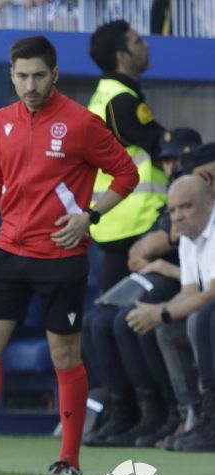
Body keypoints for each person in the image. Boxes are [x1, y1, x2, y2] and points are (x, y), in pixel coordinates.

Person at [0, 35, 138, 475]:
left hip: (62, 257)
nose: (30, 84)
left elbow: (126, 172)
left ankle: (69, 459)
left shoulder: (81, 122)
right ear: (12, 75)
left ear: (55, 74)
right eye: (22, 76)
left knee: (65, 356)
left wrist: (90, 216)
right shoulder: (0, 122)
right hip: (9, 252)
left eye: (39, 75)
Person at [126, 175, 215, 453]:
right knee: (167, 329)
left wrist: (163, 312)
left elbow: (211, 293)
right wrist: (157, 313)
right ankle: (190, 413)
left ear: (209, 203)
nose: (177, 217)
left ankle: (211, 419)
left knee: (197, 322)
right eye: (173, 210)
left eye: (185, 207)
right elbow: (189, 291)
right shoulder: (190, 234)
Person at [87, 20, 169, 292]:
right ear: (122, 57)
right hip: (137, 222)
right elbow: (162, 146)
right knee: (131, 315)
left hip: (116, 223)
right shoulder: (121, 101)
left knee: (114, 313)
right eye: (136, 41)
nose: (145, 45)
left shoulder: (104, 95)